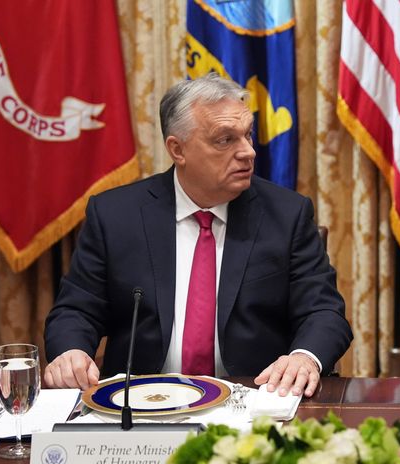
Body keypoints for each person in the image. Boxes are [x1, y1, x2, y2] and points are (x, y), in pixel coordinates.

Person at [44, 74, 352, 397]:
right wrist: (71, 352)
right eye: (225, 139)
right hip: (142, 408)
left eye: (248, 135)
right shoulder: (115, 216)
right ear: (178, 150)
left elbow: (324, 311)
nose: (248, 152)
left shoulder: (287, 216)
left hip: (252, 405)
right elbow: (76, 310)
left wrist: (304, 357)